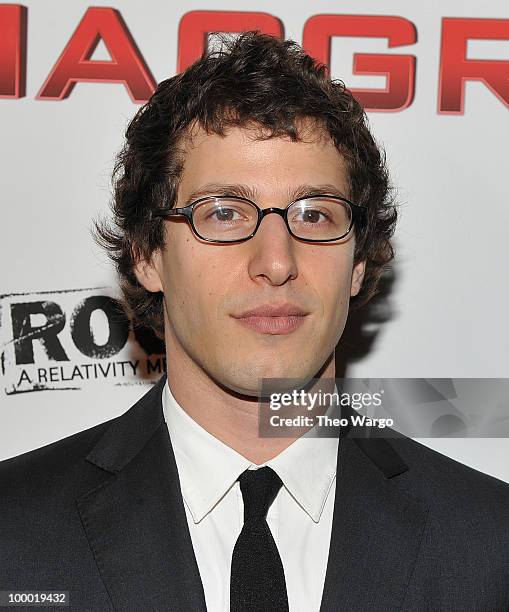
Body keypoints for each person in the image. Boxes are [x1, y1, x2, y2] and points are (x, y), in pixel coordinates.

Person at [1, 32, 508, 612]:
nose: (276, 262)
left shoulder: (491, 547)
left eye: (314, 214)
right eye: (223, 213)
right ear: (147, 255)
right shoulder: (14, 532)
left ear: (358, 262)